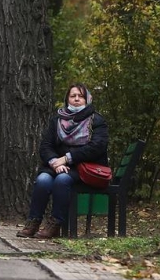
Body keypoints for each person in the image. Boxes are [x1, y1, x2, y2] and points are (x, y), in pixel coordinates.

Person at [16, 83, 109, 239]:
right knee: (43, 180)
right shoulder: (57, 120)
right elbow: (45, 146)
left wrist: (66, 159)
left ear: (87, 99)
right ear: (67, 99)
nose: (77, 99)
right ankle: (33, 222)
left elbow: (97, 147)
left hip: (83, 167)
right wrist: (54, 162)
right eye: (73, 96)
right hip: (56, 166)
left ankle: (55, 224)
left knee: (62, 180)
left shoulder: (96, 120)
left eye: (80, 96)